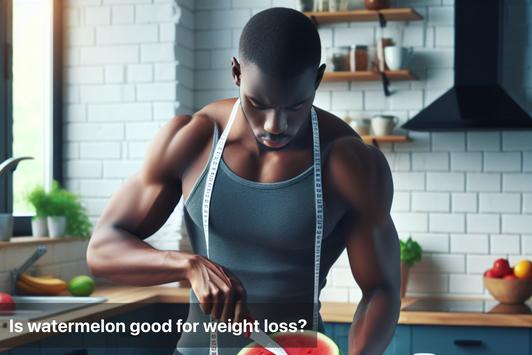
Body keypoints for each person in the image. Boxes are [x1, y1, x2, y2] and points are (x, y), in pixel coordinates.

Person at [86, 7, 401, 355]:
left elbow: (381, 289)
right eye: (257, 103)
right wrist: (189, 265)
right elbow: (102, 250)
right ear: (236, 72)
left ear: (318, 79)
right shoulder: (192, 140)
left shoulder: (349, 163)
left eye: (295, 106)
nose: (274, 125)